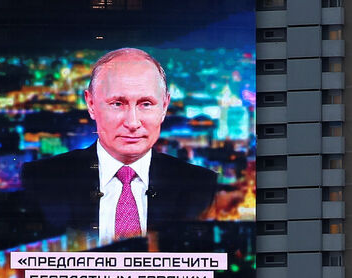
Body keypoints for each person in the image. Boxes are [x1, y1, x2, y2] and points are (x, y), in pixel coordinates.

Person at [19, 48, 218, 243]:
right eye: (117, 104)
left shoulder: (202, 187)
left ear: (164, 106)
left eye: (146, 104)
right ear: (91, 104)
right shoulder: (41, 180)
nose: (132, 122)